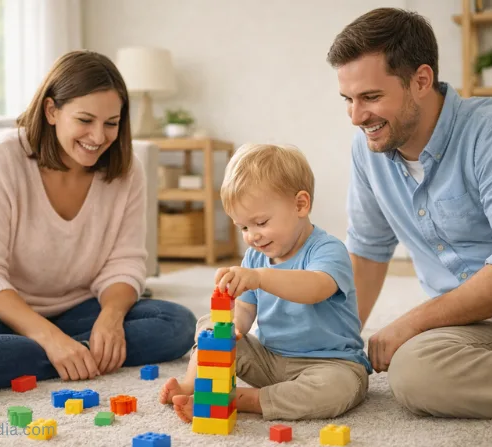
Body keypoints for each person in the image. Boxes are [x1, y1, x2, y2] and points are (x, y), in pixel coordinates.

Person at [326, 7, 492, 447]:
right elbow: (366, 253)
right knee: (412, 372)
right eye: (348, 100)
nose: (355, 116)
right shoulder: (367, 151)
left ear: (421, 80)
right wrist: (333, 351)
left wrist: (414, 319)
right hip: (484, 326)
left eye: (369, 97)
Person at [0, 50, 197, 393]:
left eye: (111, 123)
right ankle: (75, 353)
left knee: (179, 325)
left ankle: (62, 355)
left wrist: (110, 319)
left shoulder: (127, 170)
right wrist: (49, 338)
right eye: (85, 120)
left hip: (78, 308)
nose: (98, 137)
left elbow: (125, 262)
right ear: (52, 111)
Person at [158, 143, 371, 422]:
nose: (252, 236)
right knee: (209, 326)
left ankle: (248, 400)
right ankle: (192, 382)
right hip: (269, 360)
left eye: (260, 222)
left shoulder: (327, 250)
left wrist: (260, 278)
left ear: (300, 204)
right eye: (244, 227)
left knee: (339, 389)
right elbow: (246, 310)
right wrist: (233, 327)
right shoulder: (255, 257)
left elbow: (316, 288)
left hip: (329, 362)